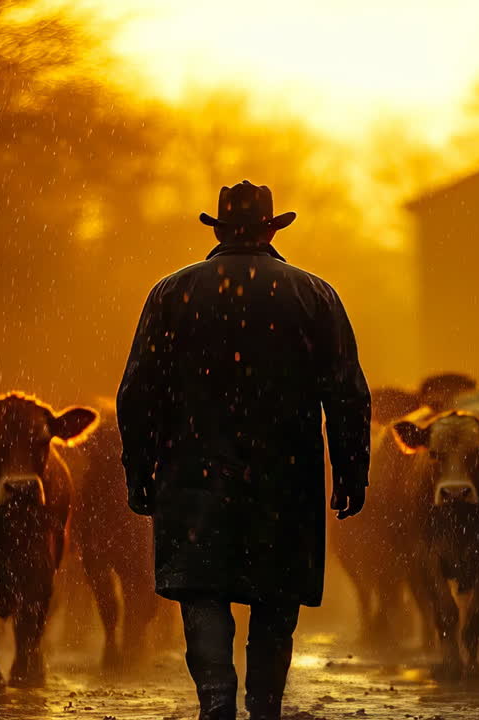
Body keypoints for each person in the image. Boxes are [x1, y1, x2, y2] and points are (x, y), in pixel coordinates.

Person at [117, 180, 371, 720]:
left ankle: (216, 700)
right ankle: (265, 706)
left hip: (192, 474)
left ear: (219, 231)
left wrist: (138, 471)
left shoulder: (171, 293)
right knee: (276, 596)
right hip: (287, 476)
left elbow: (137, 392)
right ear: (271, 230)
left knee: (201, 588)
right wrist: (352, 472)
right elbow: (347, 394)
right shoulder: (315, 295)